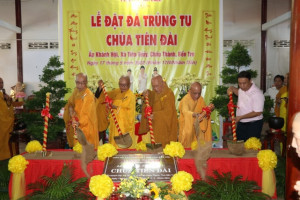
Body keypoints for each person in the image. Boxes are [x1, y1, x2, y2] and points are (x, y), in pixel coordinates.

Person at [139, 75, 178, 147]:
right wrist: (147, 92)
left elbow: (169, 112)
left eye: (157, 86)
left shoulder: (168, 93)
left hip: (167, 128)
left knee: (166, 148)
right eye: (153, 86)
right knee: (156, 146)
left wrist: (155, 115)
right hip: (156, 127)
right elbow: (151, 95)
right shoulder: (155, 92)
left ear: (162, 83)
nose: (155, 89)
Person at [63, 73, 99, 149]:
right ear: (75, 82)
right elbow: (70, 103)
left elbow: (87, 114)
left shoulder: (89, 95)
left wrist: (79, 122)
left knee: (86, 149)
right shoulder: (76, 91)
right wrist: (70, 109)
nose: (80, 85)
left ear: (86, 82)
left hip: (86, 126)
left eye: (83, 83)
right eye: (78, 83)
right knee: (78, 150)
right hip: (76, 124)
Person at [227, 71, 265, 141]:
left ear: (250, 81)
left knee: (251, 147)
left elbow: (257, 112)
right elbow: (238, 92)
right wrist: (231, 88)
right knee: (240, 144)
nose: (242, 86)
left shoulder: (257, 93)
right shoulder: (242, 89)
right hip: (242, 122)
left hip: (254, 124)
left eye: (244, 83)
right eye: (240, 83)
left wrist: (240, 117)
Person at [178, 82, 212, 148]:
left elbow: (204, 112)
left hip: (197, 129)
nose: (197, 96)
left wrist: (209, 109)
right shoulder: (185, 100)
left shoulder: (200, 99)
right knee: (186, 148)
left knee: (198, 148)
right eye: (195, 93)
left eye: (199, 93)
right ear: (189, 91)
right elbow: (185, 111)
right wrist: (193, 114)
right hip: (188, 128)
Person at [107, 76, 136, 149]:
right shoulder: (117, 92)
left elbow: (128, 109)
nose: (122, 87)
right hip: (115, 122)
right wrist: (109, 105)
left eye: (125, 85)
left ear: (129, 85)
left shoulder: (130, 95)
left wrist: (115, 107)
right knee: (114, 143)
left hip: (124, 125)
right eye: (120, 85)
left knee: (123, 146)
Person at [0, 77, 14, 160]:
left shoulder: (2, 94)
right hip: (2, 121)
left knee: (7, 138)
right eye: (0, 83)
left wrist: (9, 99)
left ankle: (7, 154)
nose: (1, 84)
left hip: (5, 119)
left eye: (2, 82)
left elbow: (7, 106)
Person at [95, 80, 109, 144]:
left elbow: (106, 101)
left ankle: (102, 143)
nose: (100, 84)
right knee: (98, 130)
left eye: (101, 84)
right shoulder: (97, 92)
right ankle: (98, 143)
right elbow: (96, 98)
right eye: (99, 83)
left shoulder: (105, 93)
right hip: (97, 114)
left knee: (102, 130)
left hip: (103, 114)